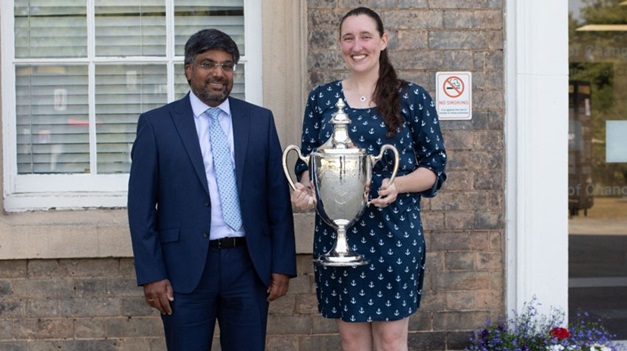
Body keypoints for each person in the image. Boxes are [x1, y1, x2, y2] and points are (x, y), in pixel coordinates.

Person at [127, 28, 296, 351]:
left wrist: (281, 263)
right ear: (188, 70)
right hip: (183, 271)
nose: (219, 73)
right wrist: (152, 274)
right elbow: (141, 208)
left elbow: (277, 198)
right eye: (208, 63)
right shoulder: (157, 125)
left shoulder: (259, 121)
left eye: (227, 65)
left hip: (248, 267)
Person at [291, 7, 447, 351]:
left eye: (365, 36)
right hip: (339, 236)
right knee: (352, 340)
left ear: (383, 40)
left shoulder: (413, 97)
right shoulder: (322, 99)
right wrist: (305, 188)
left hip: (394, 233)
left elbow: (435, 168)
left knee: (391, 341)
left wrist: (398, 185)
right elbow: (308, 161)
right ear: (340, 44)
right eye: (348, 38)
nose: (356, 46)